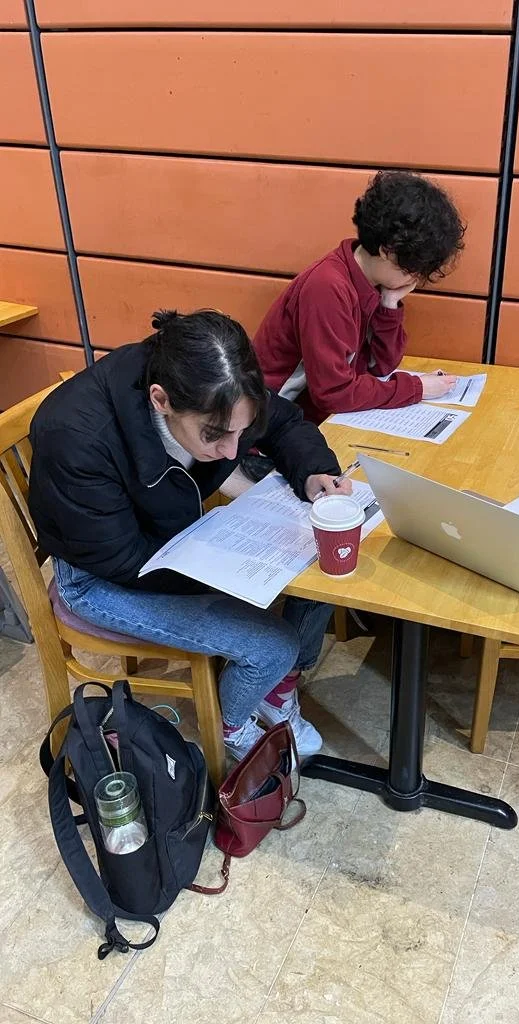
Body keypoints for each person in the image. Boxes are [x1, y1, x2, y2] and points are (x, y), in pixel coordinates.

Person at [28, 309, 353, 760]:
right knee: (273, 644)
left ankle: (274, 692)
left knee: (322, 564)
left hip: (172, 538)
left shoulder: (212, 384)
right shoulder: (77, 436)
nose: (232, 450)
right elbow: (120, 560)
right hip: (99, 577)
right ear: (160, 400)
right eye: (216, 435)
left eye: (241, 430)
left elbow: (284, 422)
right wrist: (227, 571)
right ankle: (231, 728)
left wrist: (315, 472)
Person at [252, 170, 466, 425]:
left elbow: (380, 368)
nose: (416, 281)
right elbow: (333, 393)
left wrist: (389, 305)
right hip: (266, 433)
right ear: (388, 252)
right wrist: (416, 388)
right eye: (415, 271)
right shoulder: (328, 287)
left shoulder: (371, 281)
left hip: (311, 423)